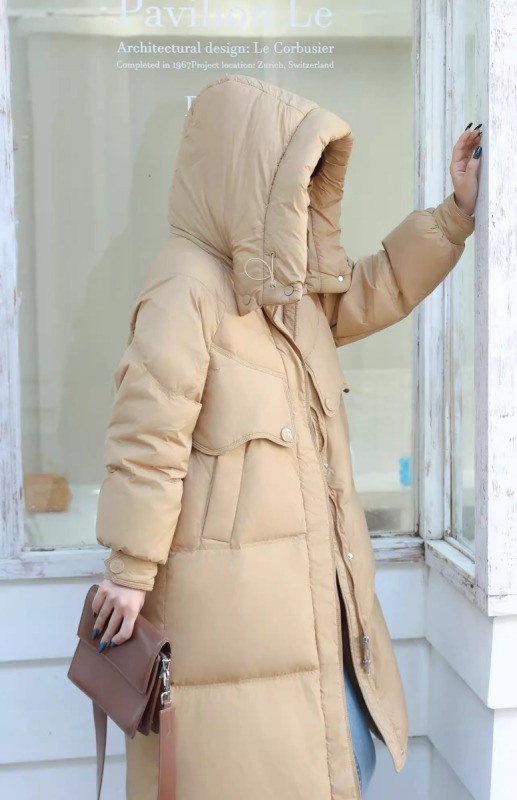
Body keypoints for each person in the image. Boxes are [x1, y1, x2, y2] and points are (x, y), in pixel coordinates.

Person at [92, 75, 480, 800]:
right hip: (233, 615)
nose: (299, 203)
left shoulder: (278, 288)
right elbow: (147, 438)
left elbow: (372, 288)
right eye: (289, 184)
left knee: (344, 762)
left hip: (306, 602)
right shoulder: (185, 288)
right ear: (246, 182)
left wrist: (455, 214)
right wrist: (130, 570)